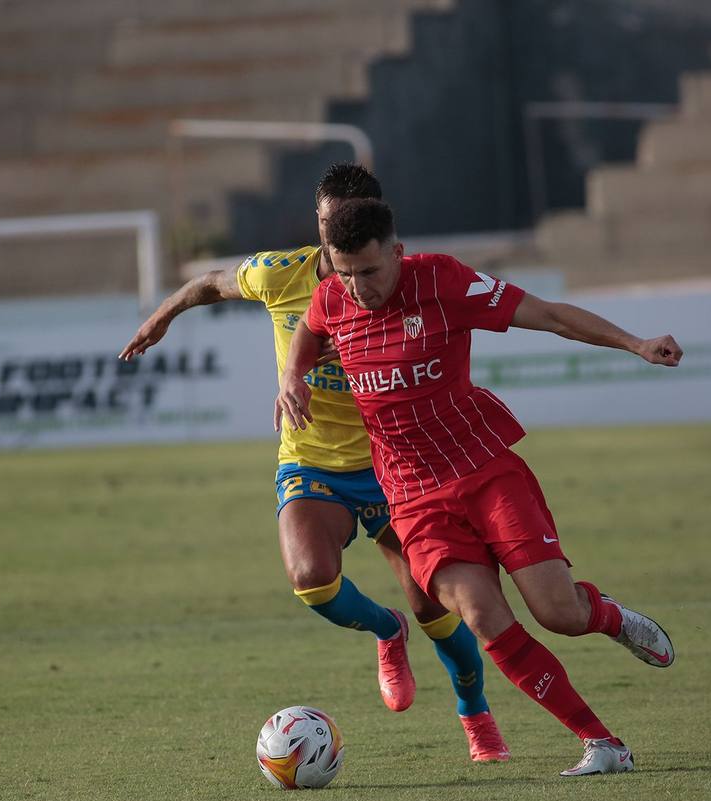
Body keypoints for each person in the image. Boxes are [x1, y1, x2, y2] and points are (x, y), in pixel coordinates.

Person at [275, 197, 680, 777]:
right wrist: (291, 376)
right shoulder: (331, 297)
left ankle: (609, 617)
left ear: (397, 253)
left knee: (557, 614)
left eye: (369, 271)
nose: (357, 287)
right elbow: (310, 331)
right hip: (413, 499)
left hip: (484, 472)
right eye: (344, 273)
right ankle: (603, 744)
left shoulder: (442, 281)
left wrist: (636, 343)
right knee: (482, 616)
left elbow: (549, 315)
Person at [120, 164, 511, 762]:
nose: (337, 239)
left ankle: (474, 713)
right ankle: (386, 630)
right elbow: (208, 282)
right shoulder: (282, 274)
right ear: (319, 223)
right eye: (329, 225)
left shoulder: (399, 282)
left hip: (394, 467)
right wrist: (163, 315)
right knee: (310, 579)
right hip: (311, 460)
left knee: (438, 609)